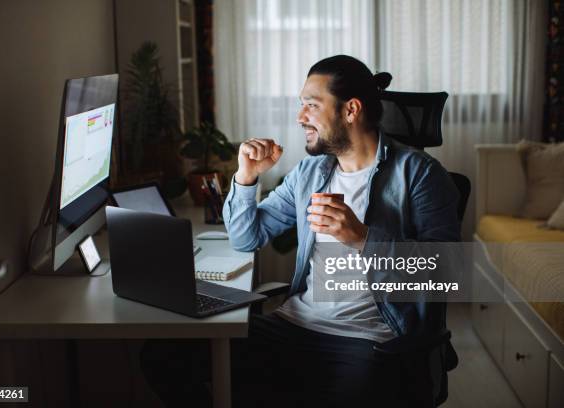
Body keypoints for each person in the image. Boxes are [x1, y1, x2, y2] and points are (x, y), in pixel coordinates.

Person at [141, 55, 460, 408]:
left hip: (367, 340)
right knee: (162, 354)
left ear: (350, 110)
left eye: (311, 105)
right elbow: (247, 237)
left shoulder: (420, 175)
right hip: (293, 326)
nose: (300, 117)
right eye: (301, 105)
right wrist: (246, 177)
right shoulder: (310, 173)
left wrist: (362, 238)